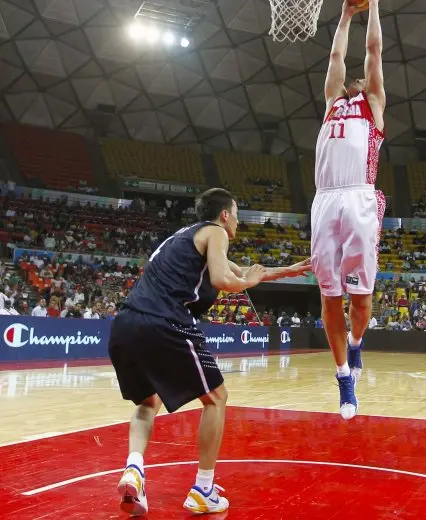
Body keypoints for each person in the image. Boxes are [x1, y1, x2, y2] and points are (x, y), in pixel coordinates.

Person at [109, 188, 310, 516]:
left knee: (148, 404)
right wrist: (249, 284)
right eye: (237, 216)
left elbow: (240, 272)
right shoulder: (216, 232)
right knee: (216, 397)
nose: (238, 224)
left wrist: (287, 271)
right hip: (165, 321)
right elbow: (224, 279)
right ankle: (203, 489)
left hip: (126, 323)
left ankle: (134, 469)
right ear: (225, 215)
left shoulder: (185, 237)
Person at [311, 0, 386, 420]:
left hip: (358, 198)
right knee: (328, 297)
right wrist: (344, 12)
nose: (354, 79)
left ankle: (357, 344)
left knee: (360, 300)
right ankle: (343, 376)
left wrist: (373, 4)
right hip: (325, 199)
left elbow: (372, 52)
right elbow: (338, 52)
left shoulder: (373, 104)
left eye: (360, 79)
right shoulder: (331, 102)